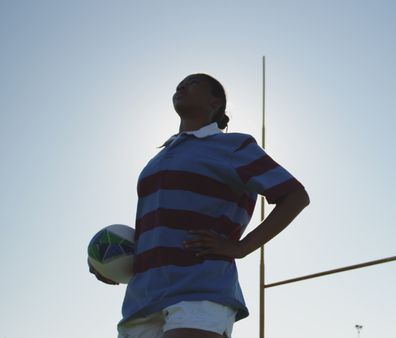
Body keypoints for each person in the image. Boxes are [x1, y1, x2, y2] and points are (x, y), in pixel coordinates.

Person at [90, 73, 310, 338]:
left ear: (214, 102)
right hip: (142, 299)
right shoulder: (159, 157)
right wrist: (110, 263)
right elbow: (157, 225)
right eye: (180, 83)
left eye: (193, 82)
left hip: (200, 288)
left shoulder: (233, 146)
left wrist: (240, 248)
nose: (182, 85)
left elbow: (295, 196)